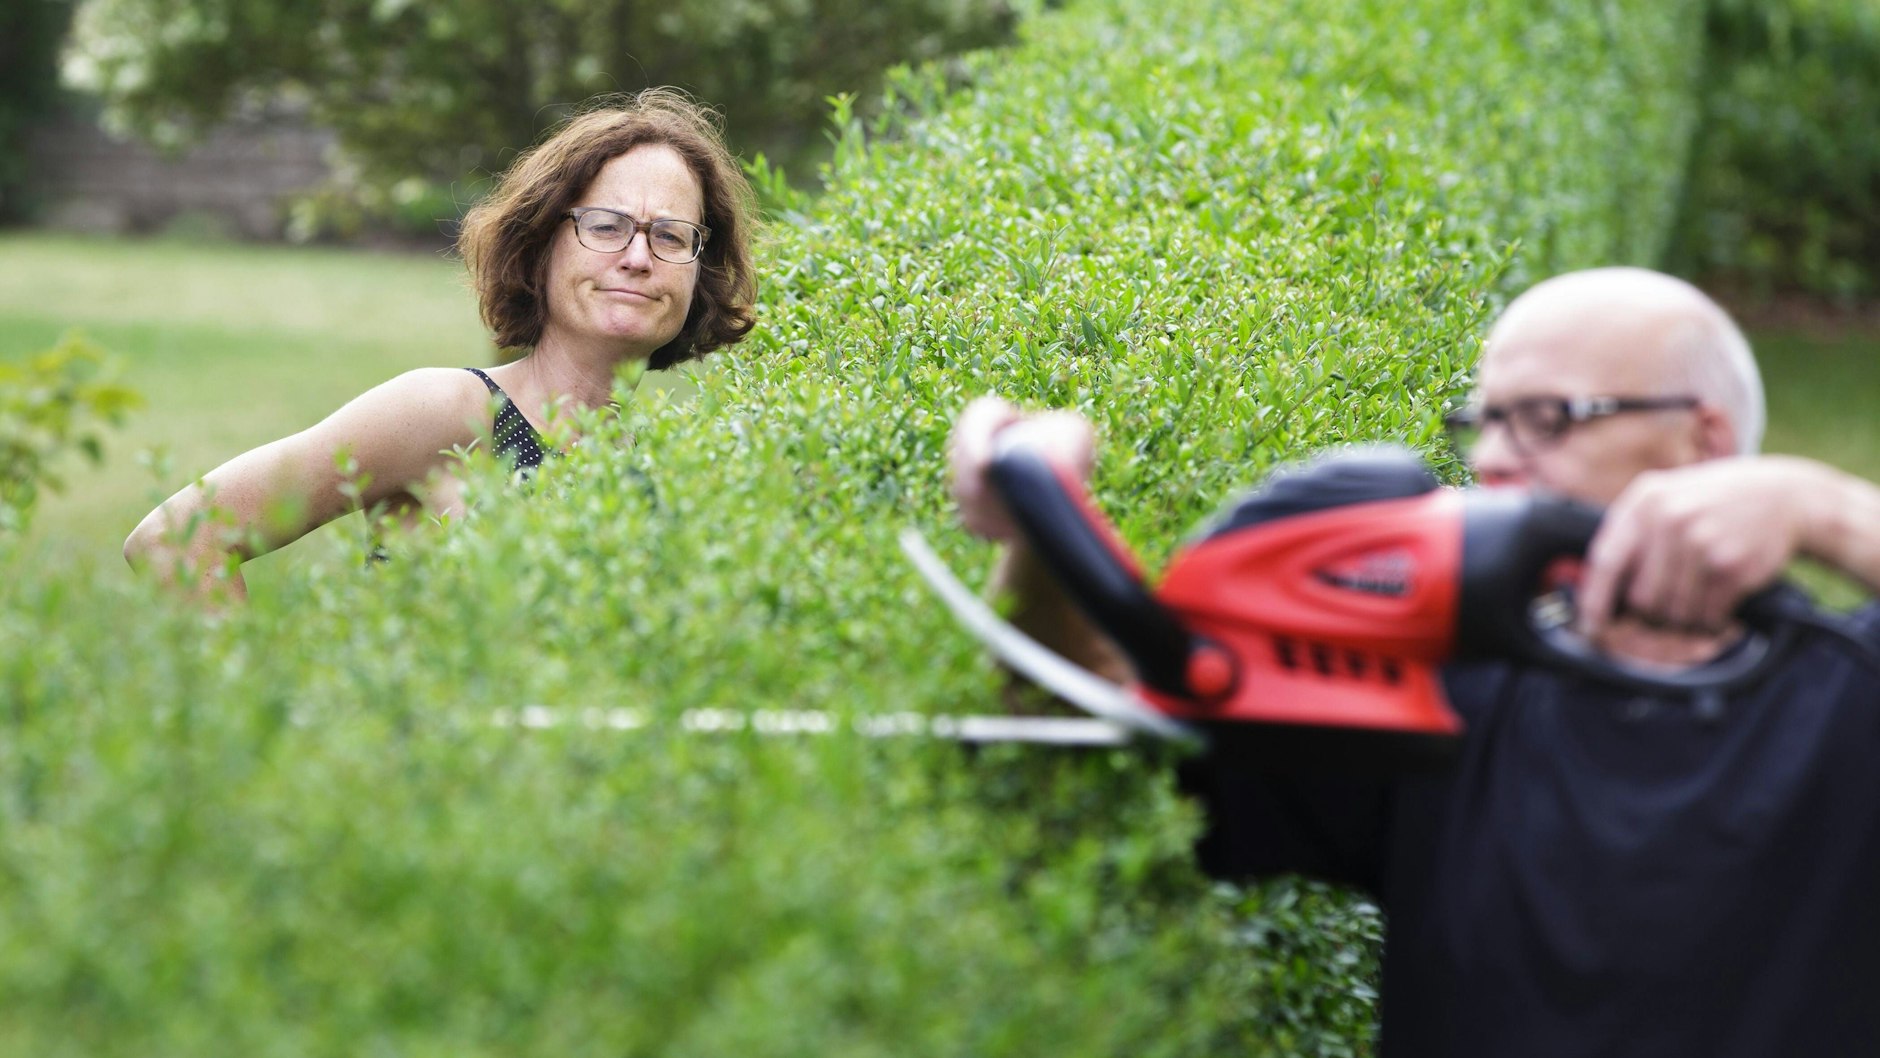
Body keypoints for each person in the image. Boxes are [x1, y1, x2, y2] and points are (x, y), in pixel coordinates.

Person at [948, 267, 1880, 1057]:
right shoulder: (1449, 687)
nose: (1493, 460)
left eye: (1549, 419)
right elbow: (1087, 756)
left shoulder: (1846, 689)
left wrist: (1823, 508)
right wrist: (1036, 522)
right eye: (1484, 422)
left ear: (1706, 442)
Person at [124, 88, 758, 600]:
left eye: (672, 236)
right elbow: (180, 538)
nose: (639, 258)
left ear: (700, 270)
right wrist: (263, 733)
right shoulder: (448, 412)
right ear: (539, 247)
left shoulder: (667, 467)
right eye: (606, 225)